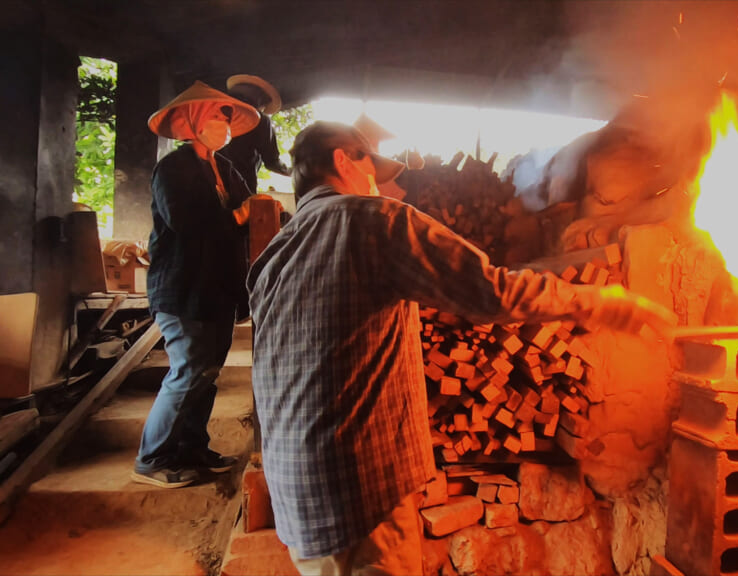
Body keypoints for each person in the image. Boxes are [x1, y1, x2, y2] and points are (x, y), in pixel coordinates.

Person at [248, 121, 676, 574]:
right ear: (342, 161)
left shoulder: (273, 256)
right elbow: (492, 292)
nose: (388, 188)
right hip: (360, 499)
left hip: (296, 498)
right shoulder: (373, 220)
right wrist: (593, 301)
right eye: (373, 168)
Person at [132, 81, 261, 489]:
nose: (222, 126)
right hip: (183, 287)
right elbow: (187, 224)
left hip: (218, 289)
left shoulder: (224, 168)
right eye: (214, 118)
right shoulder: (173, 169)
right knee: (188, 371)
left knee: (207, 373)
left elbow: (251, 207)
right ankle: (152, 457)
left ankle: (191, 446)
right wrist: (238, 218)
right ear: (191, 124)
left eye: (225, 119)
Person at [220, 74, 290, 194]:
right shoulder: (260, 120)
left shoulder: (214, 113)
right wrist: (294, 171)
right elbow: (272, 162)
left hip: (206, 183)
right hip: (240, 188)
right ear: (260, 100)